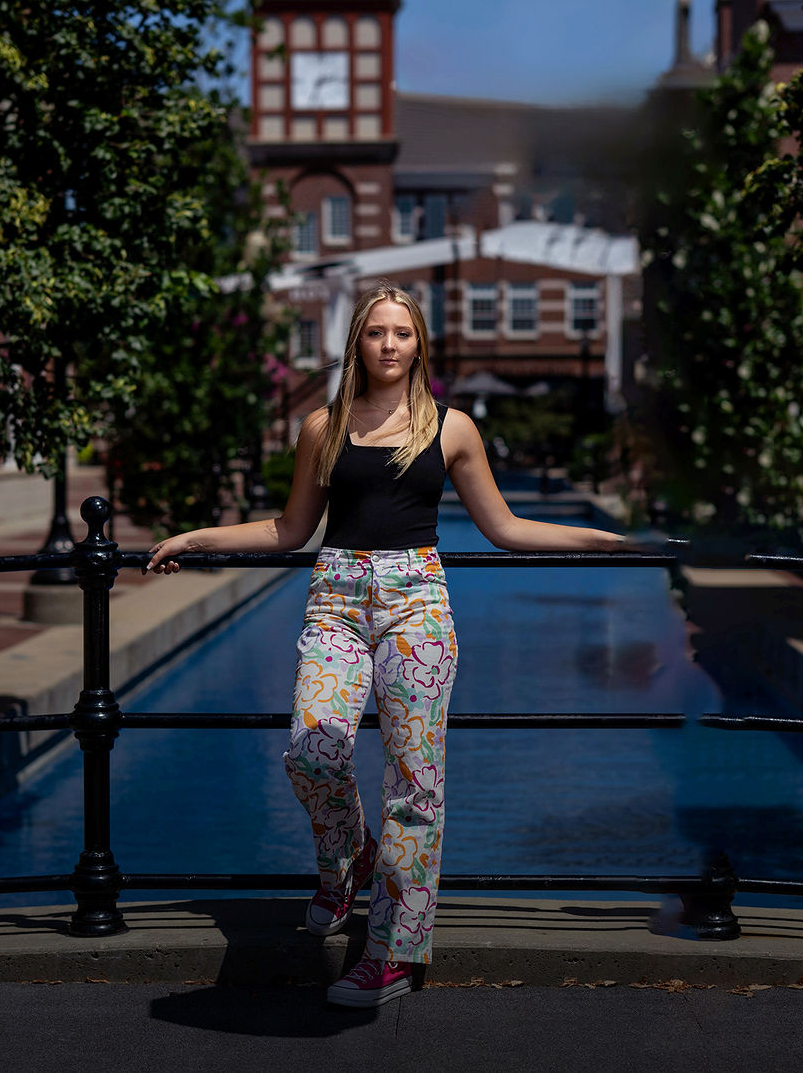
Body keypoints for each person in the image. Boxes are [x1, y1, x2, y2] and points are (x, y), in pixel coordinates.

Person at [145, 283, 625, 1008]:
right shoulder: (323, 426)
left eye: (403, 333)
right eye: (377, 333)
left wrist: (601, 540)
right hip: (336, 598)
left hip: (417, 605)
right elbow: (287, 529)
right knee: (313, 746)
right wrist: (195, 537)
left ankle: (391, 953)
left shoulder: (451, 427)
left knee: (414, 786)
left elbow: (504, 527)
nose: (390, 345)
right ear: (358, 344)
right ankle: (346, 860)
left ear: (419, 343)